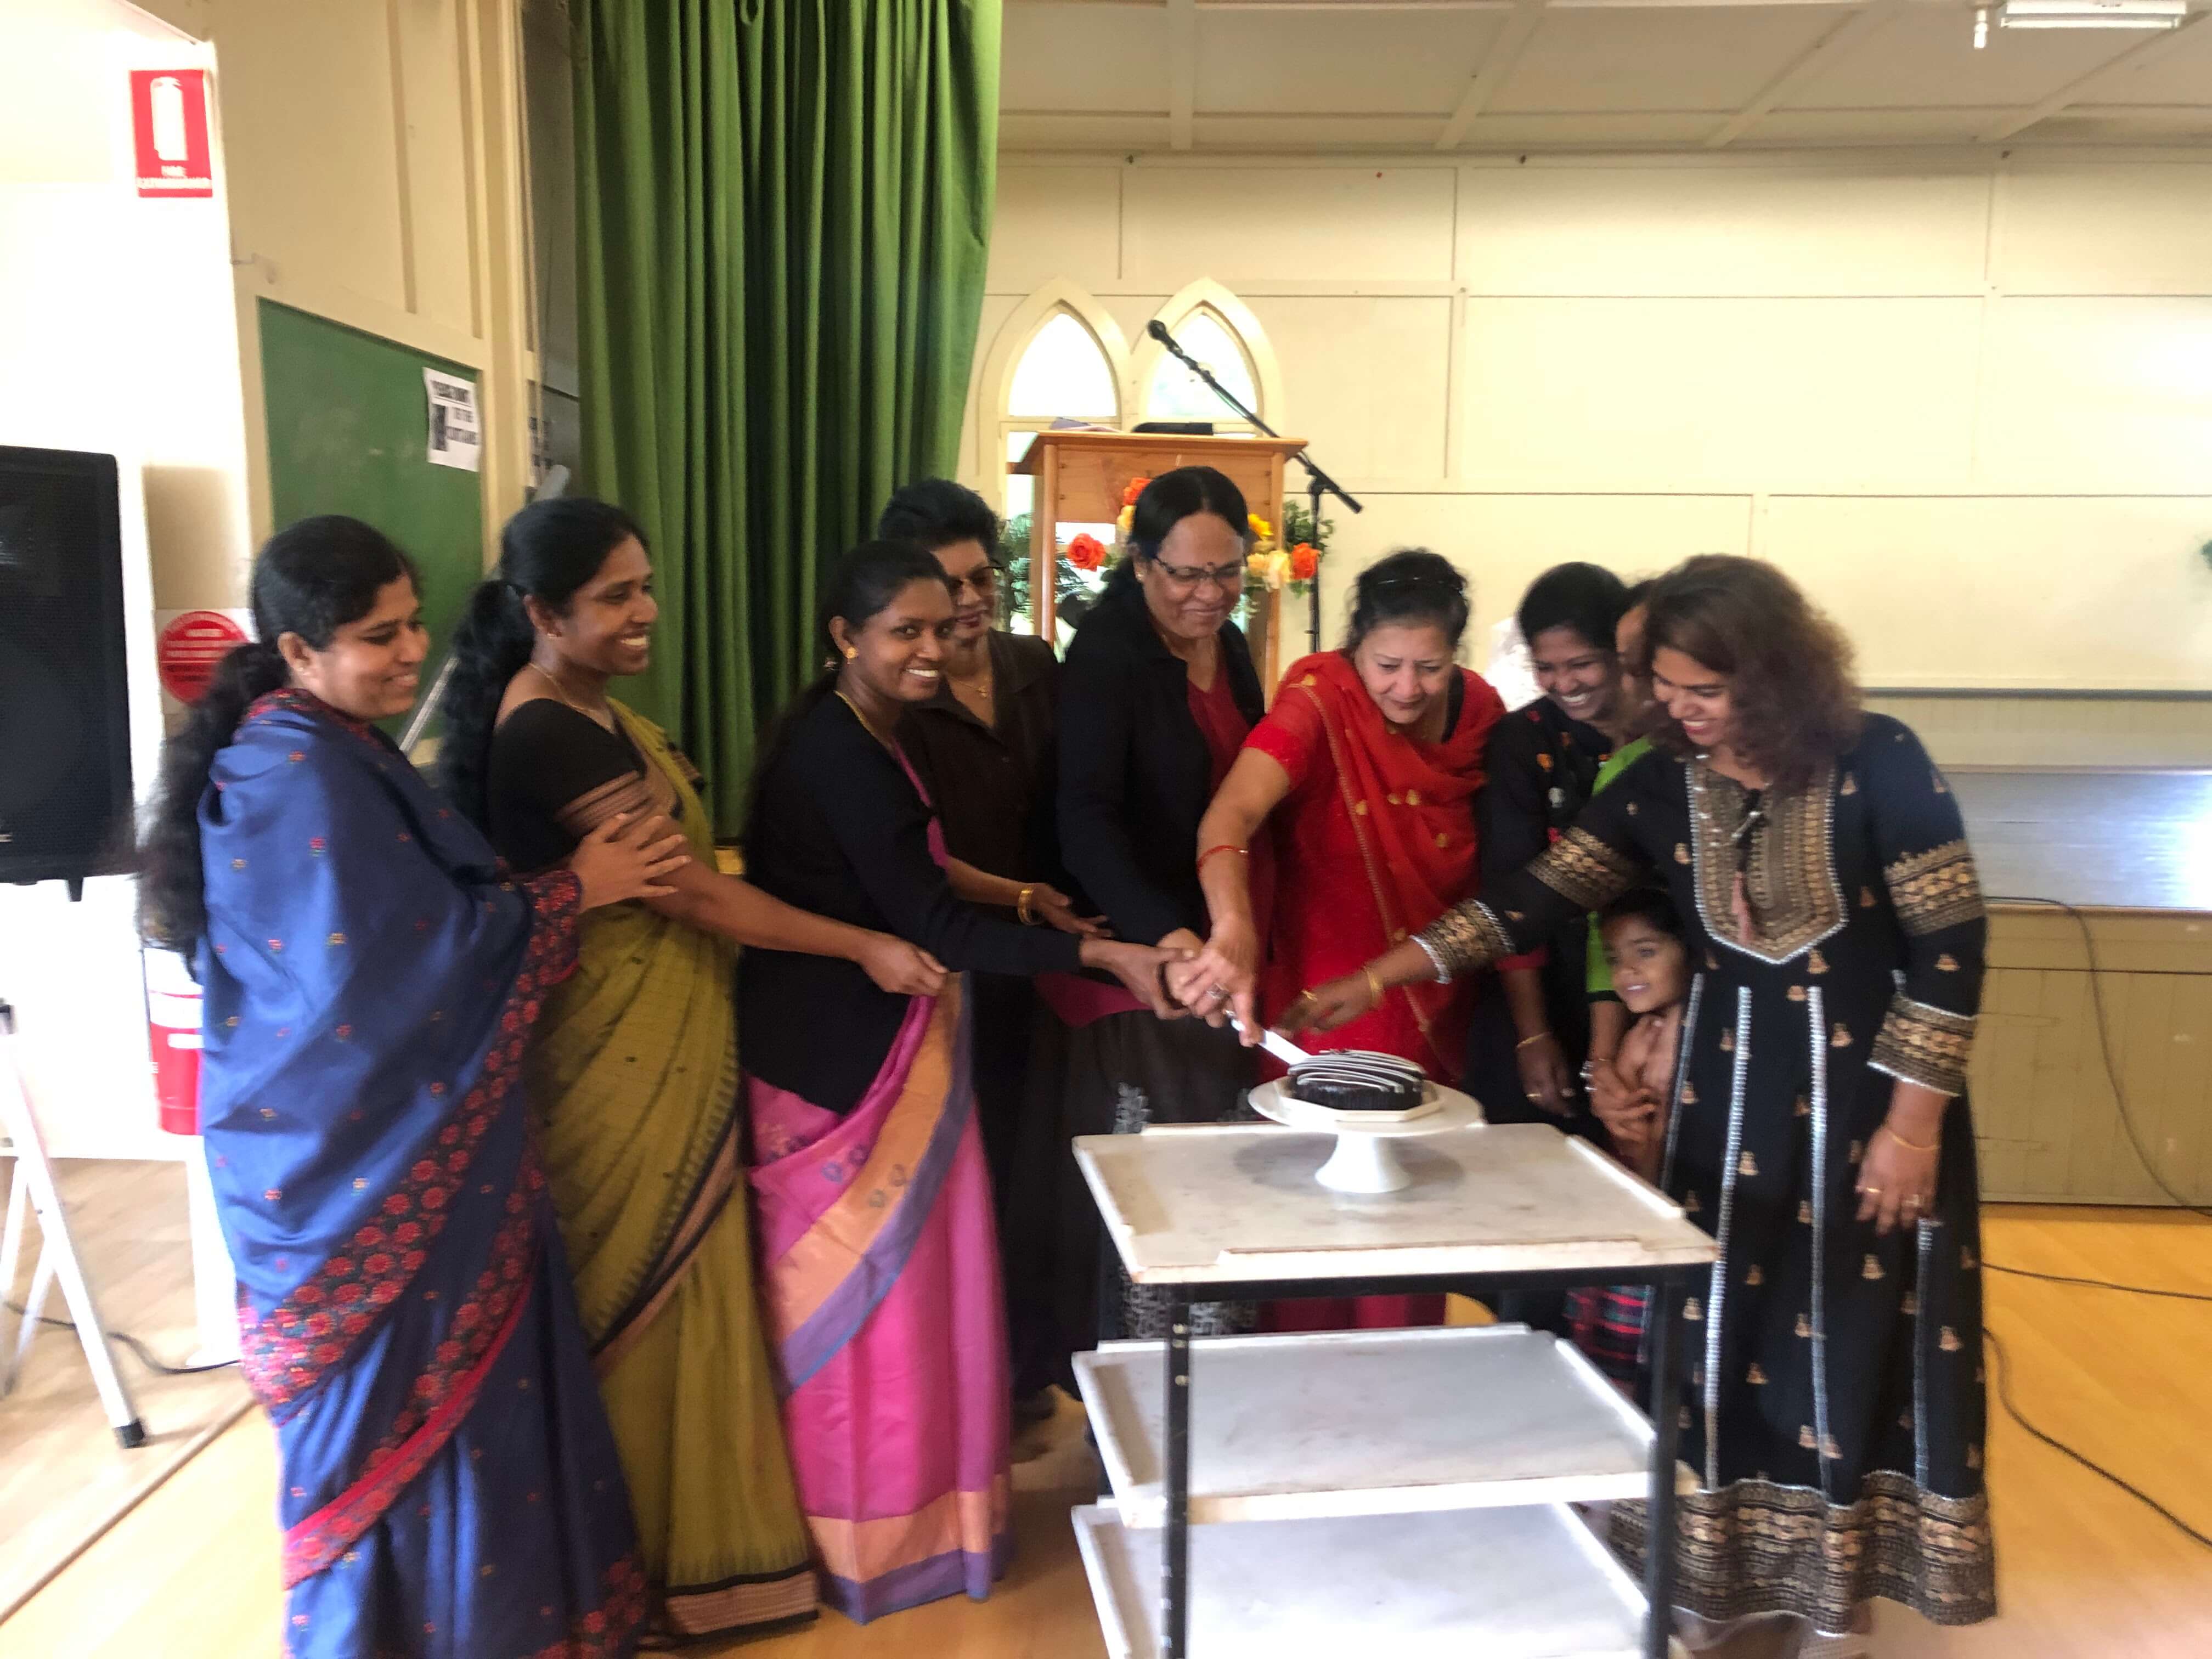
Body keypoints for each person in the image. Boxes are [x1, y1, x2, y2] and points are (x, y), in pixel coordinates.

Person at [1281, 555, 1995, 1650]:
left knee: (1850, 1341)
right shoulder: (1664, 778)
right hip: (1725, 1102)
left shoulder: (1876, 757)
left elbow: (1950, 946)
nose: (1679, 707)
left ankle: (1833, 1594)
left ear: (1775, 675)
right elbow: (1534, 897)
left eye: (1704, 689)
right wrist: (1381, 974)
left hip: (1869, 1107)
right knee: (1714, 1335)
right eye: (1664, 684)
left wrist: (1913, 1129)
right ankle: (1713, 1581)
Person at [138, 516, 685, 1658]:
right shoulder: (297, 772)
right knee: (403, 1422)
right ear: (298, 651)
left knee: (472, 1411)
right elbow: (388, 976)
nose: (410, 652)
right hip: (362, 1172)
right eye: (378, 635)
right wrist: (572, 891)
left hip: (395, 1147)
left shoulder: (325, 742)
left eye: (412, 624)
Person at [437, 498, 949, 1641]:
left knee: (692, 1287)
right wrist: (860, 943)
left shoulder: (591, 709)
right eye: (615, 596)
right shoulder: (549, 731)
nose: (645, 611)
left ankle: (690, 1569)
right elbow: (698, 897)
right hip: (613, 1056)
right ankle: (639, 1575)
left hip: (667, 1031)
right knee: (646, 1299)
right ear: (542, 614)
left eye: (645, 586)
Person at [737, 539, 1173, 1623]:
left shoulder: (869, 726)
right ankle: (873, 1531)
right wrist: (1102, 953)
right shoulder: (840, 748)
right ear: (845, 637)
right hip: (837, 1061)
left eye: (941, 627)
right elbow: (931, 923)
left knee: (914, 1300)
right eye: (905, 632)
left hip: (884, 1039)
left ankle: (930, 1517)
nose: (932, 649)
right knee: (865, 1311)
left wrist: (1020, 895)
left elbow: (919, 871)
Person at [1171, 550, 1505, 1331]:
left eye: (1431, 667)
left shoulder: (1483, 712)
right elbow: (1230, 817)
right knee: (1314, 1226)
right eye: (1387, 665)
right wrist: (1233, 926)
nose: (1407, 687)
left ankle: (1402, 1385)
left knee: (1411, 1233)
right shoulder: (1319, 701)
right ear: (1356, 648)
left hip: (1438, 987)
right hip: (1321, 1001)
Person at [1043, 465, 1265, 1367]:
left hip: (1216, 940)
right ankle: (1140, 1399)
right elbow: (1084, 821)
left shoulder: (1231, 645)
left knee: (1218, 1170)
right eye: (1185, 574)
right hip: (1140, 958)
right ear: (1139, 564)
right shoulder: (1106, 656)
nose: (1208, 594)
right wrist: (1165, 936)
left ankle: (1215, 1386)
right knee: (1157, 1184)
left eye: (1227, 572)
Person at [877, 479, 1086, 1411]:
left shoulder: (1034, 662)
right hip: (953, 961)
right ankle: (965, 1390)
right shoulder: (897, 695)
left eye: (981, 577)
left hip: (1054, 955)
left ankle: (1031, 1369)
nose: (968, 600)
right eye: (947, 584)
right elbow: (916, 853)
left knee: (1039, 1170)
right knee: (964, 1176)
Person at [1466, 561, 1637, 1134]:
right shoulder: (1523, 742)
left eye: (1582, 664)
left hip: (1650, 992)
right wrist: (1533, 1034)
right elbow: (1511, 894)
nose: (1564, 684)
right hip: (1542, 990)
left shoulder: (1664, 740)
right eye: (1546, 668)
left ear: (1622, 651)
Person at [1567, 884, 1691, 1395]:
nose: (1627, 972)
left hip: (1658, 1223)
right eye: (1616, 959)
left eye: (1647, 952)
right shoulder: (1642, 1035)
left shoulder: (1687, 1040)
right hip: (1633, 1215)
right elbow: (1630, 1137)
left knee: (1647, 1360)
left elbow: (1651, 1149)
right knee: (1609, 1355)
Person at [1583, 581, 1657, 1075]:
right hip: (1647, 1028)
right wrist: (1604, 1061)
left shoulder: (1859, 756)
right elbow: (1594, 909)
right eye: (1626, 668)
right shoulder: (1629, 770)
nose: (1634, 687)